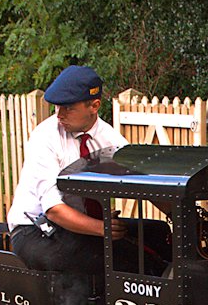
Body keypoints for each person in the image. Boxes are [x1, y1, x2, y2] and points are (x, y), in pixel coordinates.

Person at [7, 65, 128, 274]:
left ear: (94, 106)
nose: (59, 115)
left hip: (81, 228)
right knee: (97, 261)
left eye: (68, 108)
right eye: (57, 107)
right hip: (33, 230)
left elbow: (140, 175)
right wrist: (102, 228)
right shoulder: (44, 137)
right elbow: (53, 209)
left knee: (155, 236)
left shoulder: (110, 139)